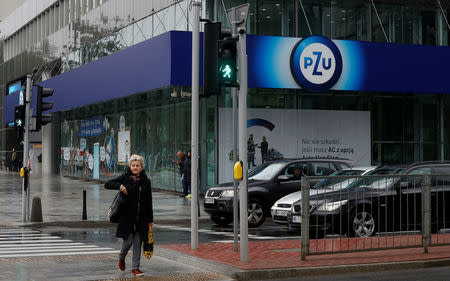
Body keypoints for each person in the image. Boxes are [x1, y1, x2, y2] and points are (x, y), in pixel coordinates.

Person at [104, 154, 153, 277]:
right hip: (127, 217)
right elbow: (107, 184)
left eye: (137, 165)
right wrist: (120, 186)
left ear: (141, 167)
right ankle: (122, 256)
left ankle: (135, 268)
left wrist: (150, 220)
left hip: (141, 218)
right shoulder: (125, 178)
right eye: (133, 165)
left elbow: (149, 202)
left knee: (137, 243)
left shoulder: (146, 182)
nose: (135, 167)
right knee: (129, 241)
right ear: (130, 166)